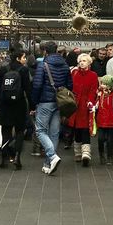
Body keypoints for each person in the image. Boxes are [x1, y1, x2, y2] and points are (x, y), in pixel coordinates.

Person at [31, 41, 72, 175]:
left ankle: (52, 156)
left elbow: (37, 85)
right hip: (59, 103)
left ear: (45, 51)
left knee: (41, 131)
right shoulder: (65, 65)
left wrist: (34, 102)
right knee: (54, 133)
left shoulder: (43, 65)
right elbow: (69, 86)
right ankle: (48, 163)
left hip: (45, 102)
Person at [0, 50, 32, 170]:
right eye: (24, 57)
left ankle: (4, 158)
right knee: (20, 131)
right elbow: (28, 89)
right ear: (18, 58)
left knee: (6, 130)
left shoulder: (4, 69)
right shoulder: (24, 70)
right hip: (19, 104)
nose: (25, 60)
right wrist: (32, 106)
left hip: (4, 104)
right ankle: (17, 157)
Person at [67, 53, 98, 166]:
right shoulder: (74, 73)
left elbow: (93, 89)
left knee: (85, 128)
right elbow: (70, 87)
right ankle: (78, 152)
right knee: (76, 129)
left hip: (85, 105)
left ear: (89, 63)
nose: (82, 62)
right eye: (80, 61)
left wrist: (90, 102)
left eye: (84, 60)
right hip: (75, 105)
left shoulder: (93, 75)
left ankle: (86, 153)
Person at [95, 75, 113, 165]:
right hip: (101, 120)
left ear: (109, 85)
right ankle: (101, 154)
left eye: (104, 84)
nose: (102, 85)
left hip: (111, 121)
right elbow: (96, 105)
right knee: (100, 139)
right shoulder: (99, 94)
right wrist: (92, 107)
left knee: (110, 141)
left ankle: (110, 156)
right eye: (102, 83)